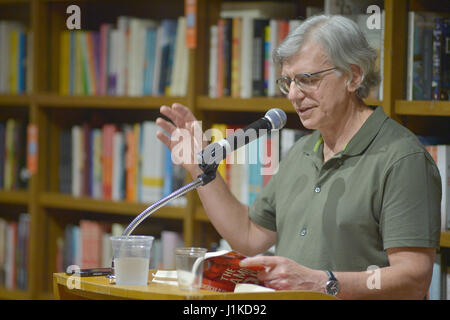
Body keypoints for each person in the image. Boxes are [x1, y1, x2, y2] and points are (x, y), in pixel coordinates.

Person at [156, 15, 441, 299]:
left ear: (353, 76)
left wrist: (321, 282)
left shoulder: (403, 159)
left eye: (306, 79)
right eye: (287, 82)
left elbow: (414, 277)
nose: (293, 94)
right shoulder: (303, 150)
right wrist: (200, 169)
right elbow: (249, 236)